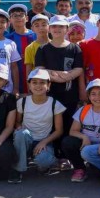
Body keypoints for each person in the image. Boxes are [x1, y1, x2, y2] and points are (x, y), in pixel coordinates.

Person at [35, 15, 84, 168]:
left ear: (67, 29)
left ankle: (67, 157)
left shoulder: (74, 48)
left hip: (70, 95)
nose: (57, 29)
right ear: (49, 29)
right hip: (50, 95)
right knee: (53, 126)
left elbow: (78, 69)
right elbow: (40, 70)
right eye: (54, 26)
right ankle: (54, 155)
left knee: (68, 124)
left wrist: (68, 76)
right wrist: (60, 76)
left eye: (61, 26)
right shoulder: (42, 49)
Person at [9, 68, 66, 183]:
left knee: (44, 161)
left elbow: (59, 130)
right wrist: (19, 128)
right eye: (34, 82)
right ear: (29, 85)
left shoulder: (54, 104)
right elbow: (17, 122)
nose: (38, 86)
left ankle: (49, 163)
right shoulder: (22, 102)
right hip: (26, 140)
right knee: (21, 134)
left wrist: (44, 142)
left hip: (44, 141)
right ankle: (18, 169)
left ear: (48, 85)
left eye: (42, 82)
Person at [62, 79, 100, 182]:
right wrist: (84, 137)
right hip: (85, 143)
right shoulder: (84, 110)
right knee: (68, 142)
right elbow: (73, 131)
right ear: (88, 96)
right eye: (93, 94)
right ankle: (79, 168)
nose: (97, 97)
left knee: (99, 174)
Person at [5, 3, 36, 95]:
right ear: (10, 20)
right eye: (14, 15)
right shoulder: (7, 39)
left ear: (27, 18)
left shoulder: (36, 36)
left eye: (21, 15)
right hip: (14, 83)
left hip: (36, 81)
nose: (18, 18)